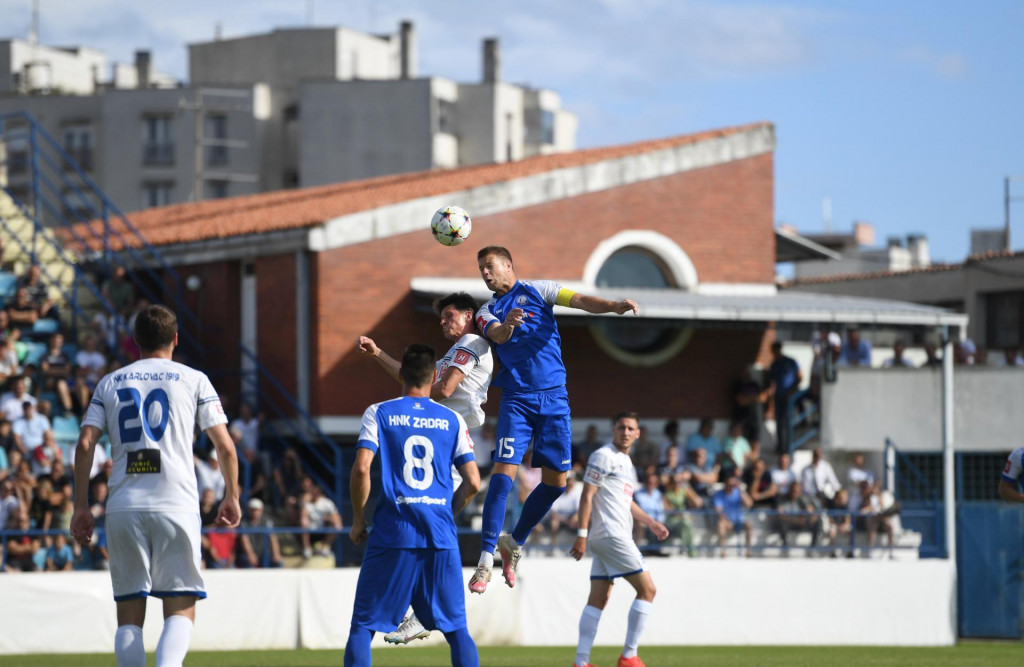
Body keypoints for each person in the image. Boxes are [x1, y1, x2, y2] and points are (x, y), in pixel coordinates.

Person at [70, 305, 241, 667]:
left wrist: (81, 506)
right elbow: (225, 446)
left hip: (123, 506)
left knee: (129, 614)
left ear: (136, 342)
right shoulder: (194, 379)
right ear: (175, 339)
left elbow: (85, 444)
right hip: (175, 503)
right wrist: (232, 495)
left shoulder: (110, 382)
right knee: (180, 609)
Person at [470, 246, 638, 593]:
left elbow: (579, 300)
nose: (485, 274)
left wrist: (613, 306)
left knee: (557, 484)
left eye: (490, 266)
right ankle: (486, 559)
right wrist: (508, 327)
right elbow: (496, 334)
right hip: (517, 398)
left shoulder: (540, 290)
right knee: (503, 476)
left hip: (555, 398)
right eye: (481, 269)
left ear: (508, 265)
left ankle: (514, 542)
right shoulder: (486, 311)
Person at [358, 291, 494, 644]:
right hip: (439, 438)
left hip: (450, 439)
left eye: (449, 315)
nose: (444, 322)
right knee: (423, 533)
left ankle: (417, 611)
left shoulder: (472, 340)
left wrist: (410, 399)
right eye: (442, 318)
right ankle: (417, 610)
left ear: (468, 314)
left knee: (422, 527)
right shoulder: (457, 348)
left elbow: (443, 390)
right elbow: (418, 383)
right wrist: (378, 355)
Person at [345, 344, 481, 667]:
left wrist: (358, 520)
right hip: (440, 535)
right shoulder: (452, 419)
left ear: (402, 374)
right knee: (456, 629)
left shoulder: (379, 412)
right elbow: (474, 482)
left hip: (394, 533)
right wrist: (446, 513)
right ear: (434, 376)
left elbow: (362, 467)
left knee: (363, 626)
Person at [570, 411, 668, 667]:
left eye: (630, 429)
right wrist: (581, 534)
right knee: (648, 590)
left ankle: (581, 662)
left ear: (637, 434)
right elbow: (586, 495)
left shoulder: (627, 463)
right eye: (621, 427)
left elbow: (627, 502)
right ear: (613, 429)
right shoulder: (603, 456)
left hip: (610, 537)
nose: (625, 432)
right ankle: (629, 656)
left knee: (599, 598)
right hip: (611, 535)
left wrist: (651, 522)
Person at [766, 341, 803, 456]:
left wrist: (792, 391)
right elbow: (771, 380)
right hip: (779, 397)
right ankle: (780, 446)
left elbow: (800, 376)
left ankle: (787, 446)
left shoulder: (790, 362)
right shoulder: (774, 364)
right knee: (779, 422)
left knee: (787, 421)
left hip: (789, 397)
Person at [713, 473, 753, 558]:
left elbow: (749, 504)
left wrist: (740, 490)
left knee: (749, 524)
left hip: (739, 520)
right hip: (726, 521)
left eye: (733, 485)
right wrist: (726, 521)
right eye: (729, 485)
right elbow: (718, 511)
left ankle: (748, 550)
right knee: (721, 525)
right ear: (725, 484)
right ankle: (723, 552)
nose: (731, 487)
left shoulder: (739, 492)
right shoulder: (719, 494)